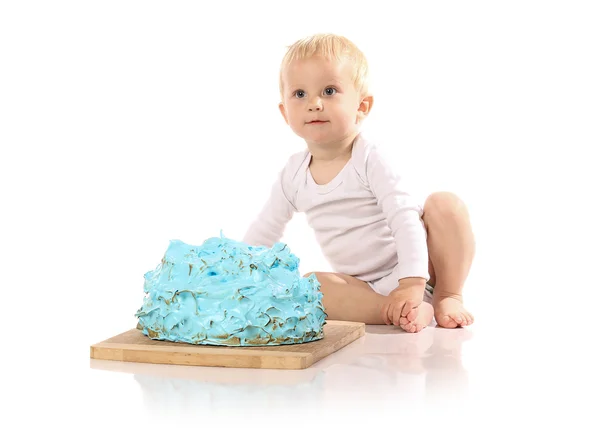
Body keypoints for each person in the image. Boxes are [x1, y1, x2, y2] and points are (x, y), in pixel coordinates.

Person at [243, 33, 475, 332]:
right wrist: (237, 269)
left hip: (421, 269)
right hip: (364, 289)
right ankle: (396, 311)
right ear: (285, 112)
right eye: (299, 94)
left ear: (362, 106)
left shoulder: (368, 158)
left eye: (329, 91)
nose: (314, 103)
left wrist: (412, 282)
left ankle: (446, 296)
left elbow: (404, 219)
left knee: (446, 204)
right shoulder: (294, 173)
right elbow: (265, 229)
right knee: (313, 286)